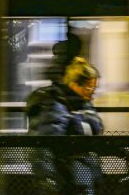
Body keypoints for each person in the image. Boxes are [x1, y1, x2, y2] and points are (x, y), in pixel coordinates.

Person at [25, 57, 103, 195]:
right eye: (89, 87)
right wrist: (49, 182)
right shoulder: (54, 105)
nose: (91, 92)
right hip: (68, 183)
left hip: (83, 179)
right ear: (74, 85)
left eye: (94, 88)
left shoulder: (83, 105)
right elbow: (43, 145)